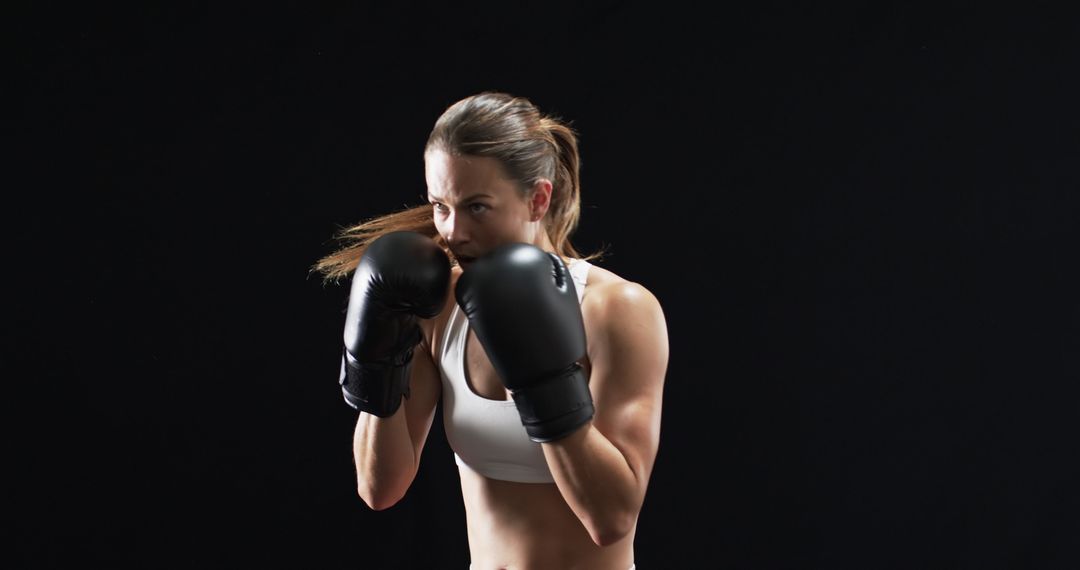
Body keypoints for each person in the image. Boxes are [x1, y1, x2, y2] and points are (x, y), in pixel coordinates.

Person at [312, 91, 669, 570]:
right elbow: (380, 489)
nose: (453, 232)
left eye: (476, 207)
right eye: (440, 205)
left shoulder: (618, 310)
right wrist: (376, 361)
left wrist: (543, 379)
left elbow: (611, 518)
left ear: (538, 199)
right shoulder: (436, 306)